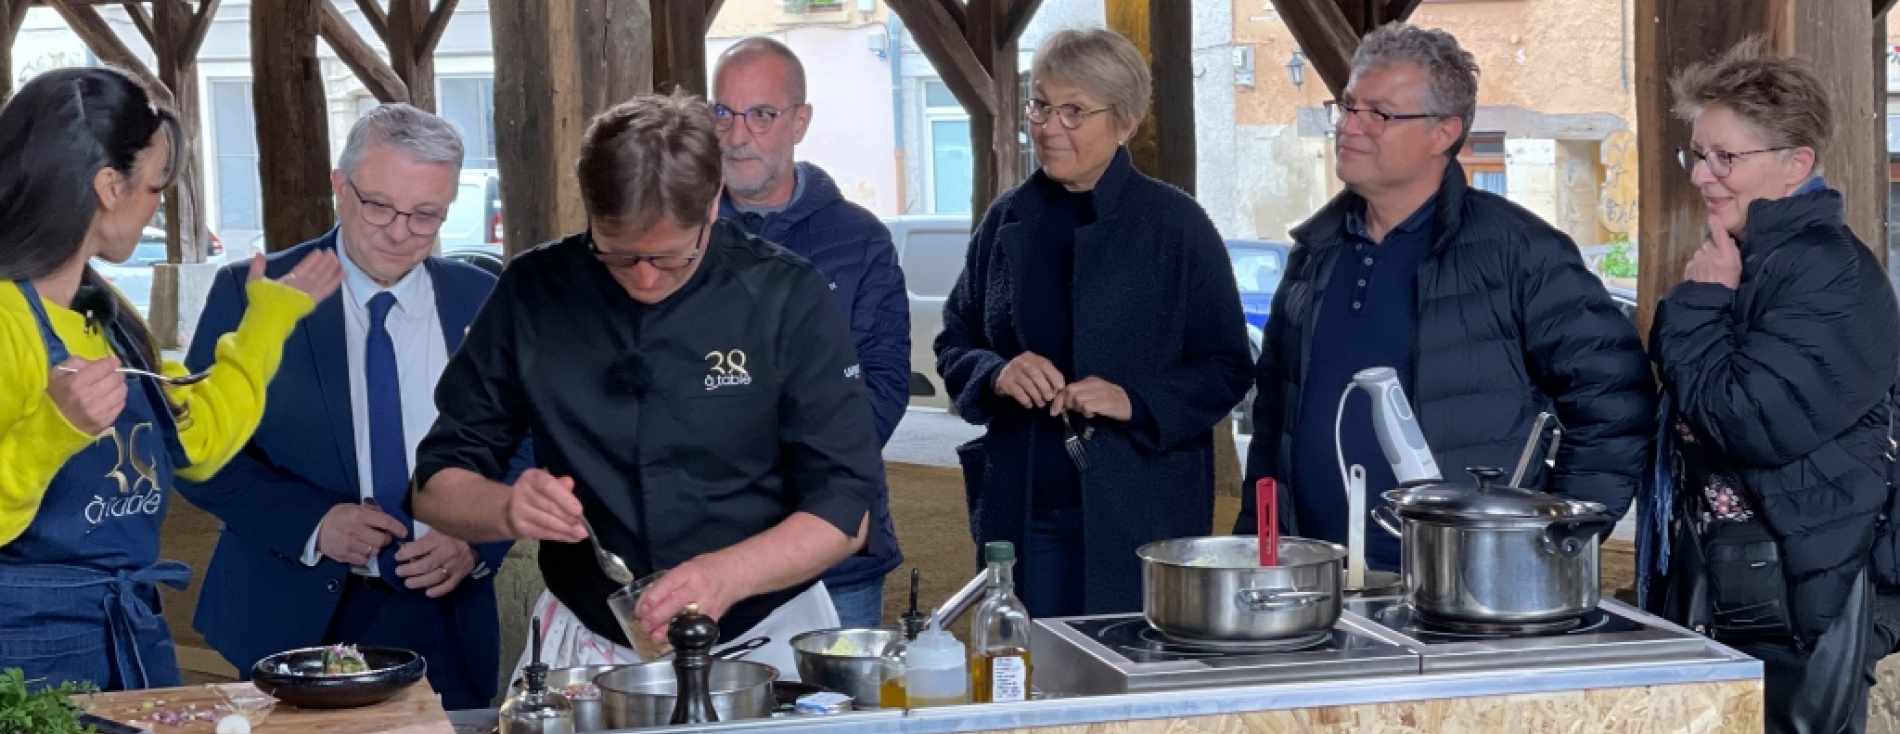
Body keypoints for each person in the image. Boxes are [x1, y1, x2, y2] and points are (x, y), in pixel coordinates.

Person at [410, 91, 880, 680]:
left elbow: (845, 508)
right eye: (619, 255)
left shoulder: (786, 294)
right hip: (589, 634)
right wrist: (507, 508)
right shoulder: (533, 290)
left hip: (765, 630)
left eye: (670, 257)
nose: (645, 277)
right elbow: (435, 483)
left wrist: (724, 575)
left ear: (713, 204)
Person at [1233, 23, 1655, 569]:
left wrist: (1549, 549)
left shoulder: (1520, 253)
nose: (1349, 127)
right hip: (1313, 578)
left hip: (1465, 593)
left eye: (1379, 114)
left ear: (1443, 133)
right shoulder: (1315, 251)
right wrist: (1259, 547)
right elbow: (1273, 424)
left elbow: (1616, 404)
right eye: (1348, 107)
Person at [0, 67, 341, 691]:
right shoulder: (5, 321)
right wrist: (54, 430)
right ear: (109, 186)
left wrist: (267, 323)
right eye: (158, 184)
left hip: (128, 638)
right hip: (25, 661)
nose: (159, 202)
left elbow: (198, 443)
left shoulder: (104, 315)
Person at [177, 105, 519, 710]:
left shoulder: (483, 298)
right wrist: (313, 523)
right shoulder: (253, 294)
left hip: (449, 615)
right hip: (291, 611)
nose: (399, 231)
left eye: (426, 216)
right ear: (340, 188)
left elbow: (526, 442)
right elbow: (198, 456)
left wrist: (475, 537)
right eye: (379, 206)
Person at [935, 28, 1252, 618]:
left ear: (1125, 121)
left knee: (1131, 685)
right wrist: (997, 372)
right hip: (1024, 507)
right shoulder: (1007, 220)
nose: (1048, 126)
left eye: (1073, 111)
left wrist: (1135, 400)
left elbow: (1229, 367)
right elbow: (956, 342)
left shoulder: (1177, 226)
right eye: (1040, 105)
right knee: (1026, 679)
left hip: (1139, 512)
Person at [1640, 39, 1900, 734]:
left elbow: (1747, 421)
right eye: (1698, 153)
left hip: (1798, 607)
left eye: (1726, 157)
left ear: (1797, 166)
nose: (1702, 175)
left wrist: (1698, 303)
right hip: (1749, 588)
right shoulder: (1757, 261)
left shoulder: (1826, 272)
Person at [711, 37, 909, 628]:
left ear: (800, 121)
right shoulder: (676, 235)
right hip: (711, 545)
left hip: (834, 546)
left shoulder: (859, 238)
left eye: (761, 115)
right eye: (724, 112)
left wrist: (791, 468)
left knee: (841, 714)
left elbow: (885, 381)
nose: (737, 134)